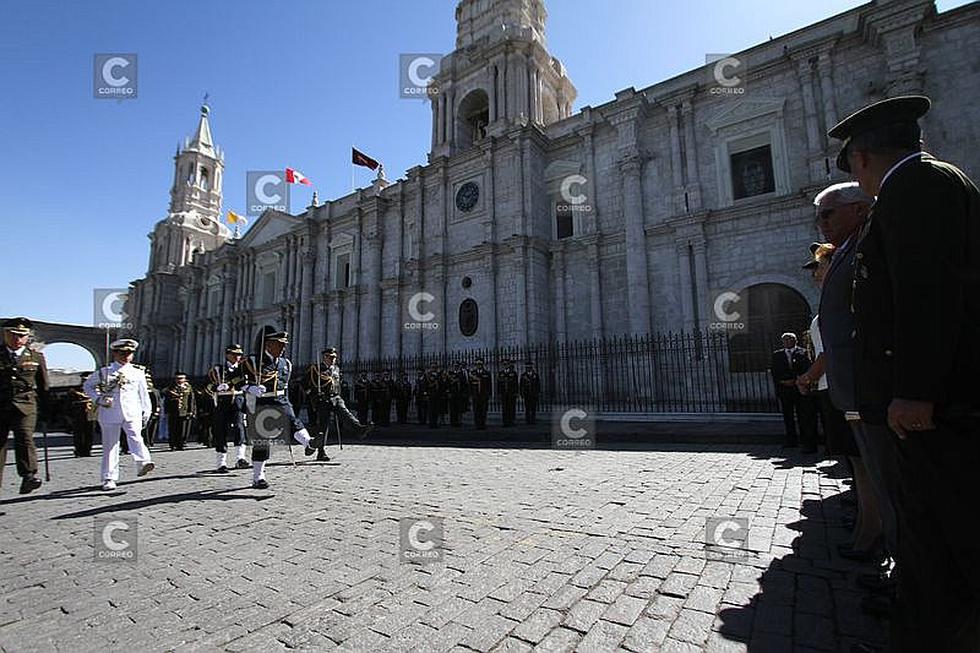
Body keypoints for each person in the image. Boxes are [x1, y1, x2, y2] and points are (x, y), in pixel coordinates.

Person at [830, 94, 980, 652]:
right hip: (934, 406)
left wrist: (914, 392)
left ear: (863, 160)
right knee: (931, 533)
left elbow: (927, 295)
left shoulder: (916, 188)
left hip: (938, 408)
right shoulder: (927, 184)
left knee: (945, 532)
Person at [798, 243, 875, 555]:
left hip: (844, 389)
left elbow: (833, 350)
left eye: (819, 266)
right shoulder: (830, 302)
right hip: (836, 390)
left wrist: (807, 377)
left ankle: (871, 530)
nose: (816, 274)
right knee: (855, 461)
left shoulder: (846, 298)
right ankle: (864, 521)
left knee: (863, 462)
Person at [242, 331, 314, 489]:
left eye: (284, 345)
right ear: (268, 344)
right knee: (262, 440)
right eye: (279, 344)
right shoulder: (253, 361)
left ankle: (309, 443)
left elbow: (285, 386)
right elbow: (237, 380)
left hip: (281, 399)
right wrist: (250, 387)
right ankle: (258, 477)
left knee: (293, 420)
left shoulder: (285, 363)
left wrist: (289, 402)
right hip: (261, 401)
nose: (283, 348)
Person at [83, 338, 155, 490]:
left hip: (132, 411)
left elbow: (143, 394)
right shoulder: (105, 372)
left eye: (129, 353)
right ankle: (109, 477)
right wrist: (98, 399)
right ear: (115, 354)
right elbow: (88, 386)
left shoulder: (138, 372)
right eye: (122, 353)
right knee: (110, 446)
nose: (126, 356)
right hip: (110, 411)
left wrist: (146, 410)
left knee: (135, 435)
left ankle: (143, 461)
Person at [0, 317, 48, 495]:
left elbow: (44, 386)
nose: (17, 339)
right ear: (5, 334)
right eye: (13, 334)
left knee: (25, 436)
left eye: (21, 335)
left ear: (27, 337)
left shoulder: (36, 357)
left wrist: (46, 410)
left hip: (25, 404)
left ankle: (28, 476)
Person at [303, 347, 372, 461]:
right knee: (323, 426)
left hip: (335, 397)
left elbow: (337, 383)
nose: (333, 359)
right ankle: (321, 452)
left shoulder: (336, 369)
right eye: (331, 357)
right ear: (325, 357)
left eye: (334, 357)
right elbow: (304, 383)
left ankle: (359, 429)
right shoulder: (316, 368)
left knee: (345, 413)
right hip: (323, 399)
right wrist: (312, 394)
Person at [206, 344, 251, 472]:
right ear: (227, 355)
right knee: (221, 430)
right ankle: (221, 462)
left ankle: (240, 458)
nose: (238, 357)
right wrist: (216, 388)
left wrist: (231, 383)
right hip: (222, 401)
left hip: (237, 400)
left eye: (239, 355)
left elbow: (244, 382)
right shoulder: (217, 369)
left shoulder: (243, 369)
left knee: (239, 427)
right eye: (235, 354)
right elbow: (208, 386)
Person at [769, 333, 816, 449]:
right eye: (785, 340)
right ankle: (791, 440)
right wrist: (783, 381)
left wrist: (797, 381)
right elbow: (774, 371)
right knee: (788, 416)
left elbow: (807, 368)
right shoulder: (777, 355)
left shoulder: (803, 352)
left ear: (795, 341)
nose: (787, 341)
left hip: (800, 388)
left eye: (790, 339)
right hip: (785, 389)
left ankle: (806, 440)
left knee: (803, 416)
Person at [163, 372, 195, 451]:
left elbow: (191, 400)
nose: (179, 380)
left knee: (183, 429)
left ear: (185, 379)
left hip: (184, 411)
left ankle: (181, 444)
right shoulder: (171, 388)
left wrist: (191, 410)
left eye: (181, 378)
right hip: (173, 411)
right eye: (177, 378)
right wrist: (166, 410)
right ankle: (173, 444)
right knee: (173, 429)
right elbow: (166, 400)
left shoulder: (188, 388)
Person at [69, 375, 97, 457]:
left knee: (90, 434)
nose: (85, 382)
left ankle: (87, 450)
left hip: (91, 415)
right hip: (78, 415)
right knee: (78, 434)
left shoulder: (94, 390)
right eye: (84, 380)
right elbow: (69, 405)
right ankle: (78, 450)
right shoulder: (75, 391)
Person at [469, 358, 492, 430]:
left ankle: (483, 424)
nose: (479, 365)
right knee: (476, 410)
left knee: (483, 410)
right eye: (477, 364)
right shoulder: (473, 373)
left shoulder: (487, 373)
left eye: (480, 364)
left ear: (482, 364)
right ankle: (477, 424)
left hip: (483, 394)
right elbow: (470, 385)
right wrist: (470, 394)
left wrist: (489, 394)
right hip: (475, 395)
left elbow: (489, 384)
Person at [497, 359, 519, 427]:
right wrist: (499, 393)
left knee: (511, 407)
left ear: (509, 365)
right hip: (504, 393)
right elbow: (499, 384)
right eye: (504, 364)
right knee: (504, 408)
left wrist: (516, 392)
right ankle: (505, 422)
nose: (505, 365)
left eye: (506, 364)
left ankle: (511, 421)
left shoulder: (513, 373)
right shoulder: (501, 373)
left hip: (511, 393)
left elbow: (516, 384)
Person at [421, 363, 444, 429]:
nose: (434, 368)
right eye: (433, 367)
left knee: (436, 410)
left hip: (437, 395)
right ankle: (431, 423)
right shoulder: (427, 375)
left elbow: (441, 384)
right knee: (431, 410)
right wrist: (425, 393)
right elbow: (425, 384)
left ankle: (435, 423)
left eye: (435, 367)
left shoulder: (439, 375)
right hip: (430, 394)